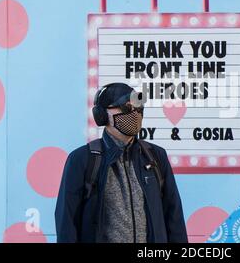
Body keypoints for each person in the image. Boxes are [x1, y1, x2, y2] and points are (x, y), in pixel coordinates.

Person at [55, 82, 188, 243]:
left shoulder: (156, 156)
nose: (134, 113)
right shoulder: (82, 159)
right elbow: (66, 223)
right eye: (125, 108)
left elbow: (174, 219)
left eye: (138, 108)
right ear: (102, 115)